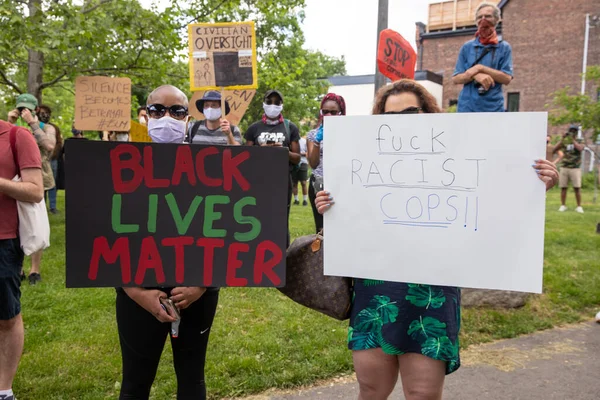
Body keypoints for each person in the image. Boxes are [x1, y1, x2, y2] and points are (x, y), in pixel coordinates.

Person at [314, 79, 559, 400]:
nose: (402, 121)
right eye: (391, 115)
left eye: (411, 112)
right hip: (376, 291)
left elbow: (495, 204)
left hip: (432, 294)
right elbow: (355, 223)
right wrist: (330, 210)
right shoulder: (361, 165)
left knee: (423, 394)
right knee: (371, 391)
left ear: (429, 113)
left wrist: (536, 185)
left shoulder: (458, 160)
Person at [116, 85, 218, 400]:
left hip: (196, 293)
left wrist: (201, 285)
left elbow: (222, 233)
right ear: (146, 115)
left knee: (192, 380)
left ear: (188, 118)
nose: (167, 118)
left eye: (176, 111)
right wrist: (135, 291)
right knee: (135, 383)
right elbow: (106, 234)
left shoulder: (211, 168)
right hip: (138, 291)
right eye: (158, 110)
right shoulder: (121, 166)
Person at [0, 118, 44, 400]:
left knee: (6, 317)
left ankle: (4, 389)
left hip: (3, 239)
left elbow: (36, 190)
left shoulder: (17, 135)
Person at [7, 94, 55, 285]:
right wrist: (10, 121)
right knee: (16, 225)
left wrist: (33, 125)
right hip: (14, 180)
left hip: (38, 180)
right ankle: (18, 267)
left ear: (35, 109)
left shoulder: (46, 127)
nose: (23, 112)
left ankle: (35, 269)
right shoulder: (13, 126)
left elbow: (49, 145)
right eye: (20, 109)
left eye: (26, 109)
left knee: (35, 224)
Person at [244, 89, 300, 246]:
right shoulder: (254, 128)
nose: (273, 105)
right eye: (269, 102)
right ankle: (257, 253)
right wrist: (260, 151)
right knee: (258, 218)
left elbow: (297, 158)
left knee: (280, 220)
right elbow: (245, 157)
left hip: (282, 181)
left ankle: (282, 258)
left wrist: (282, 151)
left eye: (277, 102)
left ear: (282, 105)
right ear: (263, 103)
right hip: (258, 181)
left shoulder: (290, 128)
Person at [452, 2, 513, 112]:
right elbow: (456, 78)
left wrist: (481, 68)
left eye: (488, 16)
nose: (483, 19)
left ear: (496, 20)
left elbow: (507, 78)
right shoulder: (467, 47)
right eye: (480, 17)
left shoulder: (504, 47)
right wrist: (475, 75)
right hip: (467, 108)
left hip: (493, 109)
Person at [307, 93, 346, 233]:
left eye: (333, 112)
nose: (328, 115)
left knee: (340, 224)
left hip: (340, 183)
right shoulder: (313, 134)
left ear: (341, 113)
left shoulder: (347, 133)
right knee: (321, 227)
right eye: (325, 111)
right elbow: (313, 163)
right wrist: (317, 141)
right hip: (319, 183)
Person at [555, 125, 585, 213]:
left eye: (574, 131)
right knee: (563, 187)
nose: (572, 132)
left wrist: (573, 140)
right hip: (564, 166)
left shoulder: (580, 140)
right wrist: (562, 139)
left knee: (577, 187)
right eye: (571, 131)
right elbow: (555, 149)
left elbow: (580, 148)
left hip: (575, 167)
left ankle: (579, 206)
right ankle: (563, 205)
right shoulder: (565, 141)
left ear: (576, 132)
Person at [39, 104, 62, 214]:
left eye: (47, 113)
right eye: (42, 113)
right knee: (41, 183)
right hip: (39, 159)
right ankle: (41, 206)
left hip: (52, 159)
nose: (45, 115)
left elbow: (58, 142)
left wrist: (53, 154)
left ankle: (53, 207)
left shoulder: (54, 128)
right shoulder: (36, 127)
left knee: (52, 183)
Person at [292, 133, 309, 206]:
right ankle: (296, 200)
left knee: (303, 182)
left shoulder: (304, 141)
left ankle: (305, 200)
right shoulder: (291, 141)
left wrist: (300, 154)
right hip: (294, 163)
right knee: (294, 183)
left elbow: (308, 153)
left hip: (303, 163)